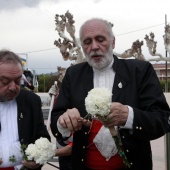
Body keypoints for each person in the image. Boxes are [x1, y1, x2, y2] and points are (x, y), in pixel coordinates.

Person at [50, 18, 170, 170]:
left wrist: (129, 116)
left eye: (100, 39)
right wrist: (64, 122)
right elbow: (55, 122)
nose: (94, 46)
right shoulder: (73, 75)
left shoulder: (140, 71)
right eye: (87, 42)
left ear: (113, 42)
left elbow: (162, 119)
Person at [0, 50, 51, 170]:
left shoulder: (31, 101)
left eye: (18, 81)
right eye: (5, 81)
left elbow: (42, 138)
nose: (13, 87)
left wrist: (39, 159)